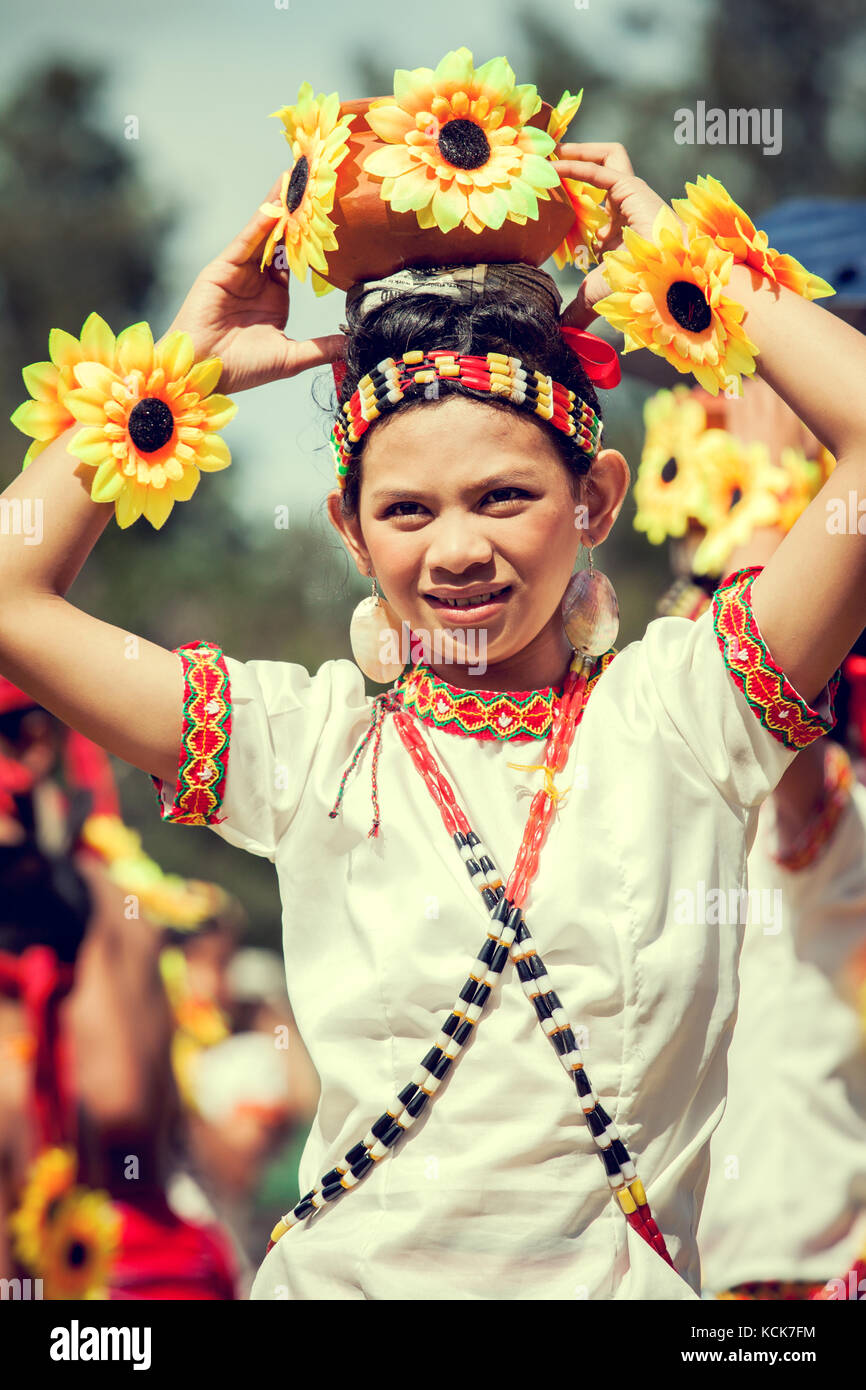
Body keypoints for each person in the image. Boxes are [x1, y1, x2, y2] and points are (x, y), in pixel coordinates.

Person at [1, 122, 865, 1301]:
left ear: (594, 498)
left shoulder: (685, 711)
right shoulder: (301, 746)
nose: (457, 550)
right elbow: (10, 590)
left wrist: (687, 260)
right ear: (349, 530)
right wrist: (173, 375)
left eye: (505, 496)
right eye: (406, 512)